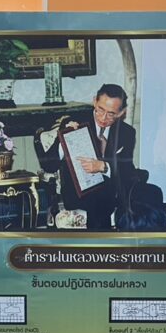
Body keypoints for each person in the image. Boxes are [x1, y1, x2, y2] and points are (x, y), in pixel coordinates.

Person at [36, 83, 138, 230]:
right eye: (100, 109)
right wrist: (65, 139)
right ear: (94, 101)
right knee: (99, 199)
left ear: (121, 112)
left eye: (111, 114)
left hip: (112, 191)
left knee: (149, 192)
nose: (103, 118)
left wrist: (103, 167)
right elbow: (49, 165)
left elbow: (126, 169)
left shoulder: (126, 132)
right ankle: (98, 242)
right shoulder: (74, 121)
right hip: (79, 192)